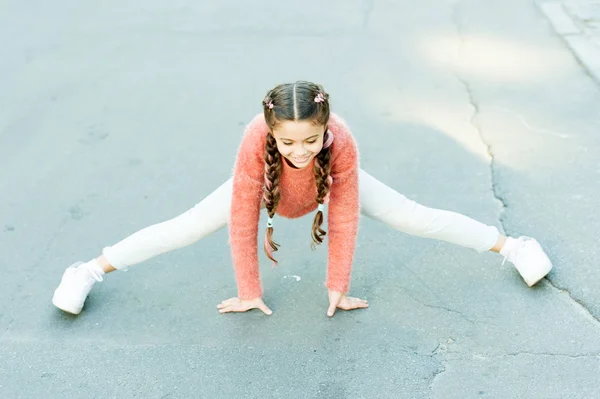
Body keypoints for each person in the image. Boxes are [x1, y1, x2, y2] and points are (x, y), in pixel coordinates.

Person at [52, 81, 553, 318]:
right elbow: (244, 221)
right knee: (183, 227)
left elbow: (346, 216)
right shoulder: (255, 142)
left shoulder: (340, 141)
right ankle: (88, 270)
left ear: (325, 129)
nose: (299, 149)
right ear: (271, 130)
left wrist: (337, 284)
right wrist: (250, 289)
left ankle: (513, 246)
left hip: (328, 186)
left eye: (309, 140)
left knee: (412, 217)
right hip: (265, 190)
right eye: (287, 141)